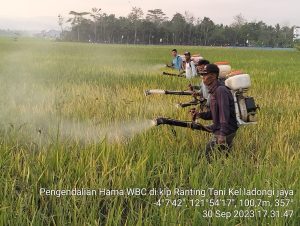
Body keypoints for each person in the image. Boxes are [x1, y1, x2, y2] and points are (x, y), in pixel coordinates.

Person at [191, 64, 238, 163]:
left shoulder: (221, 91)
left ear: (213, 76)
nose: (203, 77)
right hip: (222, 129)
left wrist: (222, 134)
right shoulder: (213, 91)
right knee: (222, 157)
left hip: (226, 130)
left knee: (207, 155)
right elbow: (213, 114)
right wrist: (200, 114)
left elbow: (224, 113)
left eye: (205, 75)